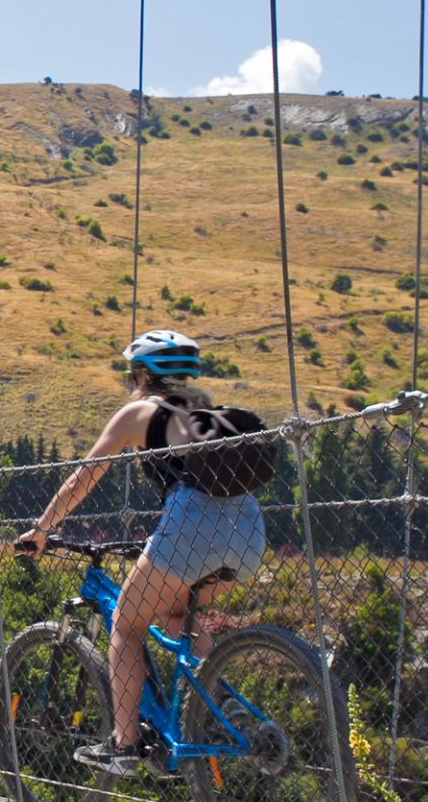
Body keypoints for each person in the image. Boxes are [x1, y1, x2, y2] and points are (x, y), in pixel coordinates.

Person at [15, 329, 266, 775]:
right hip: (248, 531)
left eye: (132, 375)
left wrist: (41, 529)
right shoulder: (204, 412)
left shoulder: (139, 413)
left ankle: (124, 744)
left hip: (192, 527)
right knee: (174, 615)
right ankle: (225, 704)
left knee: (127, 624)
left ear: (145, 375)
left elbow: (84, 478)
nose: (131, 384)